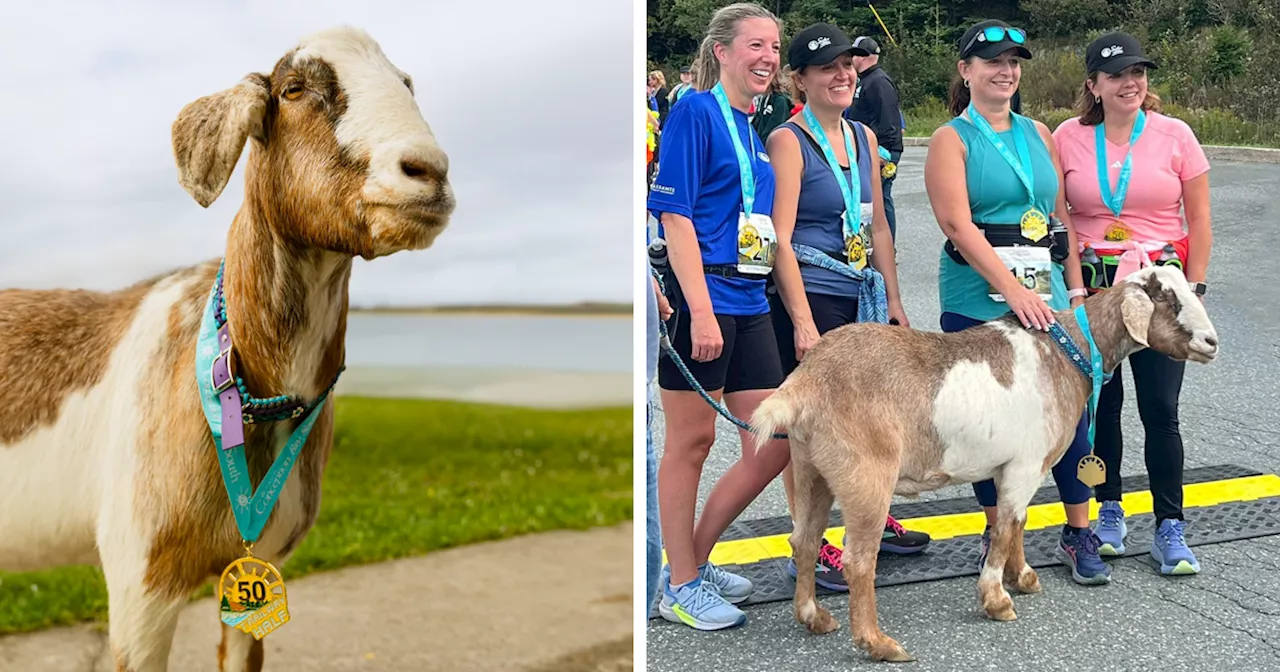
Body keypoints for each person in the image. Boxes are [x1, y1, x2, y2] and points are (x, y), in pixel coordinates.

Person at [922, 19, 1110, 585]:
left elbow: (1059, 218)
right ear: (966, 71)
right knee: (989, 423)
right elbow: (957, 223)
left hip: (1046, 294)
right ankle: (996, 534)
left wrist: (1073, 287)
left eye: (1013, 63)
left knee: (1069, 417)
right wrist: (1013, 291)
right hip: (979, 296)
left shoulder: (1038, 132)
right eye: (992, 62)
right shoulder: (951, 139)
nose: (1006, 72)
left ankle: (1079, 530)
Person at [762, 22, 930, 593]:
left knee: (869, 417)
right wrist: (804, 322)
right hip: (811, 292)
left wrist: (896, 302)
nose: (842, 75)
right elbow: (780, 237)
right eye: (827, 67)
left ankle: (870, 514)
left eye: (848, 65)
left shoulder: (863, 137)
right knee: (813, 430)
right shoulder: (788, 140)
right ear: (800, 79)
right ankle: (807, 540)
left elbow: (879, 225)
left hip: (861, 292)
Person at [646, 2, 790, 631]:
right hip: (702, 298)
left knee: (774, 441)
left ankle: (691, 560)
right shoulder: (695, 112)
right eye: (755, 45)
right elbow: (675, 218)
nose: (768, 58)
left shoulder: (749, 126)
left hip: (750, 299)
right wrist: (700, 313)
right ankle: (676, 585)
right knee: (692, 442)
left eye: (776, 48)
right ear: (723, 52)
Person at [1052, 32, 1212, 576]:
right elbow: (1063, 220)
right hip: (1098, 294)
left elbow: (1201, 220)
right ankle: (1109, 508)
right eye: (1117, 75)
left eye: (1138, 73)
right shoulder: (1068, 137)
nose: (1130, 83)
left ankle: (1171, 526)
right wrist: (1074, 289)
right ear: (1094, 85)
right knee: (1101, 410)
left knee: (1161, 411)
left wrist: (1195, 291)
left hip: (1160, 292)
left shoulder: (1175, 135)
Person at [844, 36, 905, 241]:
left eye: (855, 55)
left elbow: (890, 120)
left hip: (880, 150)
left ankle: (888, 245)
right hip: (863, 148)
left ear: (864, 57)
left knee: (881, 198)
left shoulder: (879, 81)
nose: (852, 59)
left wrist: (883, 153)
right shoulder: (865, 81)